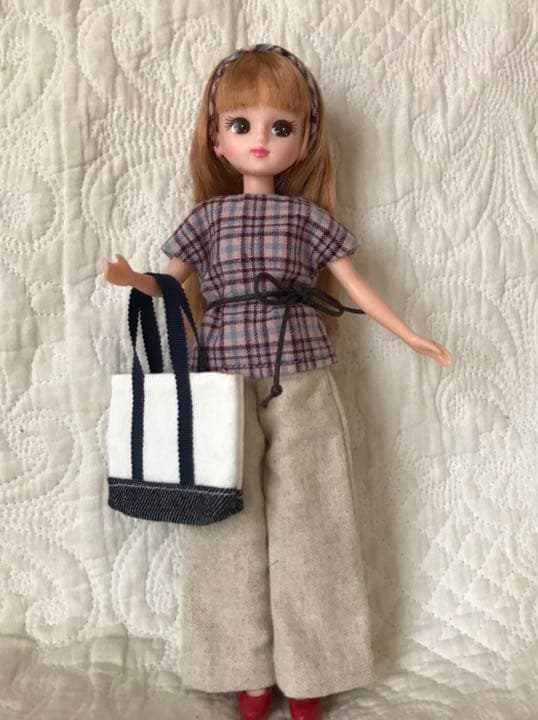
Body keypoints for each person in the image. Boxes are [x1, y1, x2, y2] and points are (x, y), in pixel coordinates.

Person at [103, 43, 451, 720]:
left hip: (304, 373)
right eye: (242, 125)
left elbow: (354, 286)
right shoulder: (208, 218)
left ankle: (314, 668)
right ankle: (242, 668)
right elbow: (168, 286)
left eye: (280, 126)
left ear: (305, 139)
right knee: (224, 517)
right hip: (221, 377)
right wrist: (131, 280)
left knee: (315, 518)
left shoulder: (309, 220)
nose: (260, 139)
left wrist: (409, 333)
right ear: (217, 140)